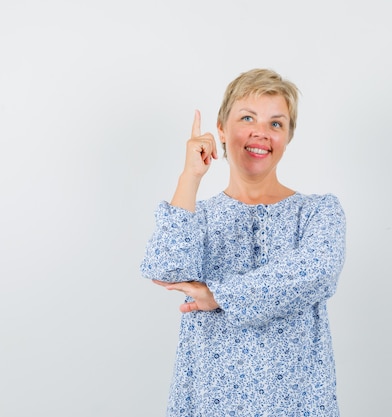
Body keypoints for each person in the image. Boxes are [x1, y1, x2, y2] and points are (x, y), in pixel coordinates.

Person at [140, 68, 346, 417]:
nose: (261, 133)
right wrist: (190, 175)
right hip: (211, 401)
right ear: (220, 127)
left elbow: (317, 272)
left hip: (298, 402)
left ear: (288, 136)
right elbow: (166, 267)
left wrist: (216, 294)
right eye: (247, 117)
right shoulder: (197, 217)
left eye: (276, 124)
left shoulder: (318, 212)